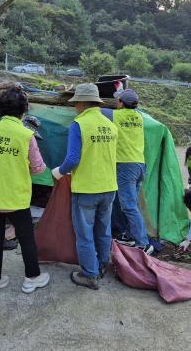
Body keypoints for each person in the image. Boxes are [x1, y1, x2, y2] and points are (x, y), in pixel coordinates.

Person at [0, 86, 49, 296]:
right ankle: (32, 279)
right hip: (15, 198)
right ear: (24, 111)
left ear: (0, 109)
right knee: (26, 238)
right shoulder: (26, 135)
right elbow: (39, 168)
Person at [52, 83, 118, 290]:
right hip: (109, 187)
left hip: (87, 189)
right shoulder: (111, 125)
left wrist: (59, 171)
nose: (75, 108)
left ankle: (89, 275)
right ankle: (101, 266)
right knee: (103, 230)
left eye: (75, 104)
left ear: (80, 103)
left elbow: (72, 159)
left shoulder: (79, 125)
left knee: (85, 234)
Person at [100, 89, 153, 255]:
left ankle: (143, 243)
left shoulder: (116, 115)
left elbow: (95, 110)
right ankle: (129, 235)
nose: (116, 102)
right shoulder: (139, 116)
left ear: (121, 103)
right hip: (139, 164)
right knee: (131, 204)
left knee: (129, 205)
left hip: (125, 165)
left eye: (118, 100)